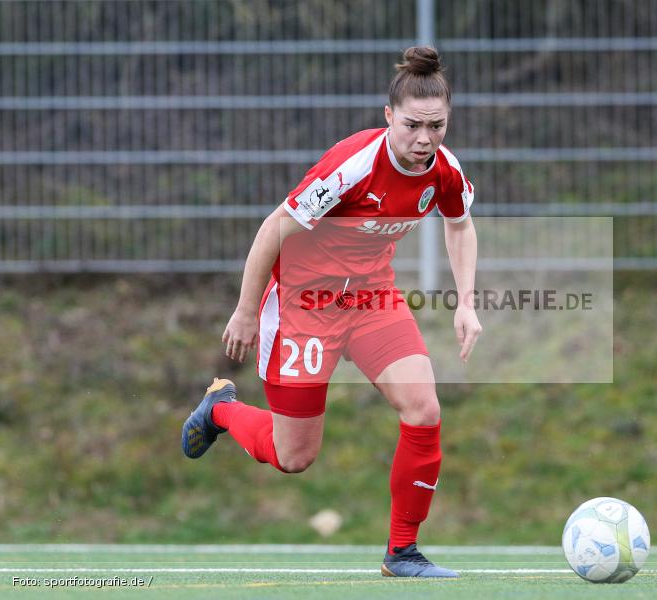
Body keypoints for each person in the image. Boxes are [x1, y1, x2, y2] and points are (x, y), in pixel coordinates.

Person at [181, 46, 481, 578]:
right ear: (388, 116)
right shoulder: (352, 166)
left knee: (423, 408)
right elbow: (275, 227)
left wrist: (467, 302)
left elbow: (459, 224)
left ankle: (402, 553)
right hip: (304, 307)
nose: (424, 139)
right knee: (294, 457)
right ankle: (220, 409)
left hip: (371, 300)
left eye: (436, 126)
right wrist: (246, 310)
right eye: (412, 125)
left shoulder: (444, 170)